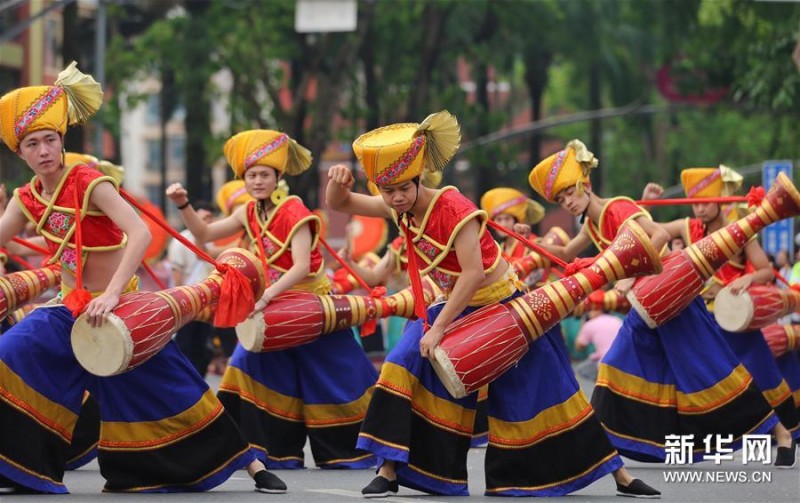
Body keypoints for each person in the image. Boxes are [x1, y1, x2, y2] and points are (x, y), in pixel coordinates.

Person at [327, 112, 659, 498]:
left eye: (403, 188)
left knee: (553, 387)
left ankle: (619, 476)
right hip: (453, 306)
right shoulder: (395, 207)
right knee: (401, 363)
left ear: (419, 179)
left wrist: (437, 328)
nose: (396, 197)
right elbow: (343, 202)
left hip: (503, 306)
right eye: (388, 191)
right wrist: (339, 183)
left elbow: (471, 274)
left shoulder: (454, 208)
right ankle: (387, 470)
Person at [0, 63, 285, 494]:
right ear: (20, 153)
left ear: (62, 142)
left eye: (50, 140)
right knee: (11, 351)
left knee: (175, 383)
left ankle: (251, 464)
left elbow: (141, 233)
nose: (44, 150)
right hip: (68, 306)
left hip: (119, 307)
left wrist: (112, 295)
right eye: (33, 144)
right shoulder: (26, 198)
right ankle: (24, 466)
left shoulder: (90, 182)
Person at [531, 142, 777, 464]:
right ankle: (615, 446)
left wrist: (627, 274)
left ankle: (599, 448)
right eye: (562, 201)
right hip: (650, 305)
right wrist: (531, 241)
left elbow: (659, 234)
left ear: (586, 186)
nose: (568, 204)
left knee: (706, 368)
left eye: (570, 195)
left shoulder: (617, 208)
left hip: (670, 296)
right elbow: (564, 255)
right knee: (665, 372)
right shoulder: (594, 223)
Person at [166, 129, 378, 470]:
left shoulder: (294, 210)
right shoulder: (248, 213)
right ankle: (261, 450)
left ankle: (355, 449)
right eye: (252, 175)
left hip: (311, 310)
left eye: (265, 174)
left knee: (338, 376)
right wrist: (183, 205)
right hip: (275, 310)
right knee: (245, 366)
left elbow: (299, 267)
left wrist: (265, 296)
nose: (258, 181)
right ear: (244, 180)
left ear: (278, 177)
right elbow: (204, 235)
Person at [654, 167, 798, 467]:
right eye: (695, 203)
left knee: (754, 381)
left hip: (735, 322)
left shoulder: (741, 229)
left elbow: (766, 270)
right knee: (697, 380)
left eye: (706, 202)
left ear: (720, 200)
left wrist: (746, 280)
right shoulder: (686, 226)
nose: (700, 208)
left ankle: (783, 434)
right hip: (699, 319)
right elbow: (651, 230)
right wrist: (647, 203)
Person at [168, 200, 217, 377]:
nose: (208, 221)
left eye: (211, 217)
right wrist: (182, 302)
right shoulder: (180, 240)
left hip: (209, 303)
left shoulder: (212, 242)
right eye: (204, 217)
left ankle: (198, 382)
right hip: (188, 301)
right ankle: (184, 380)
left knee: (203, 346)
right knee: (185, 345)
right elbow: (177, 273)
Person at [574, 292, 623, 382]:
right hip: (624, 361)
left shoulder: (590, 324)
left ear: (596, 309)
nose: (588, 312)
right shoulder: (617, 320)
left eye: (589, 309)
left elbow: (578, 347)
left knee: (580, 370)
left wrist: (583, 324)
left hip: (605, 363)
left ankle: (599, 384)